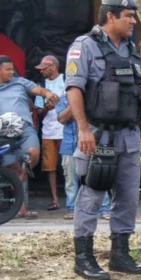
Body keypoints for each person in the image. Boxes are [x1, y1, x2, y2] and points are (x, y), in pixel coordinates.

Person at [65, 0, 141, 280]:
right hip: (98, 135)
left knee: (127, 198)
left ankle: (120, 254)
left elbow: (138, 94)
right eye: (128, 16)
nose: (133, 21)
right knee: (92, 196)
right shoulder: (85, 46)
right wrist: (83, 129)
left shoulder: (131, 50)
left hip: (129, 135)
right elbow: (74, 89)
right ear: (110, 16)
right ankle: (83, 258)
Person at [0, 55, 59, 219]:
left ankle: (20, 180)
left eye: (12, 69)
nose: (11, 72)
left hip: (25, 129)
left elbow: (39, 90)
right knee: (13, 170)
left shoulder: (20, 82)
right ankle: (21, 209)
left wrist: (48, 93)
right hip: (3, 135)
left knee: (33, 153)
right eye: (8, 70)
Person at [56, 93, 110, 221]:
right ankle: (72, 209)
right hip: (69, 145)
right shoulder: (63, 99)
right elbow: (62, 119)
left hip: (93, 143)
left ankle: (104, 209)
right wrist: (77, 101)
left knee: (99, 175)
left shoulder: (95, 94)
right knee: (71, 180)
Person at [34, 55, 66, 212]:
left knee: (69, 165)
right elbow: (38, 113)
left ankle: (72, 198)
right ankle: (54, 199)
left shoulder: (67, 81)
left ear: (53, 67)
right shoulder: (41, 86)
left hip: (66, 130)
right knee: (50, 167)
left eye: (44, 68)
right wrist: (47, 108)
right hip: (48, 131)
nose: (41, 71)